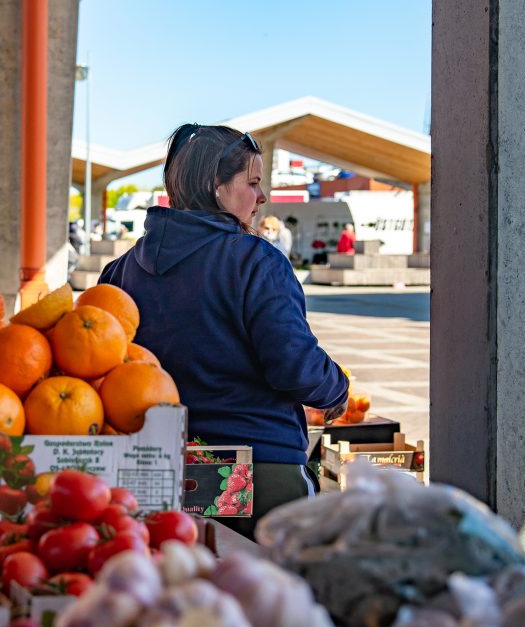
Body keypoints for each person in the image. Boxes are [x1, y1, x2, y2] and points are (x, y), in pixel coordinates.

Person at [99, 123, 348, 538]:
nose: (262, 197)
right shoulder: (255, 261)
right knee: (268, 595)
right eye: (252, 183)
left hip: (159, 472)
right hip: (258, 471)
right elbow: (295, 365)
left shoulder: (118, 271)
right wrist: (336, 389)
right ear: (216, 185)